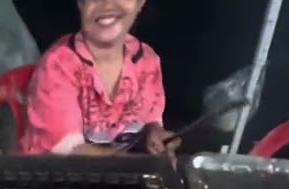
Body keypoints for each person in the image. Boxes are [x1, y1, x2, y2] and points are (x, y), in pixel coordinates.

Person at [20, 0, 177, 157]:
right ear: (80, 4)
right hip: (56, 174)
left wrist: (154, 132)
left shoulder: (147, 61)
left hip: (119, 173)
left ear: (140, 4)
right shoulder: (58, 65)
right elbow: (69, 151)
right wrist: (133, 165)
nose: (107, 4)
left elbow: (148, 120)